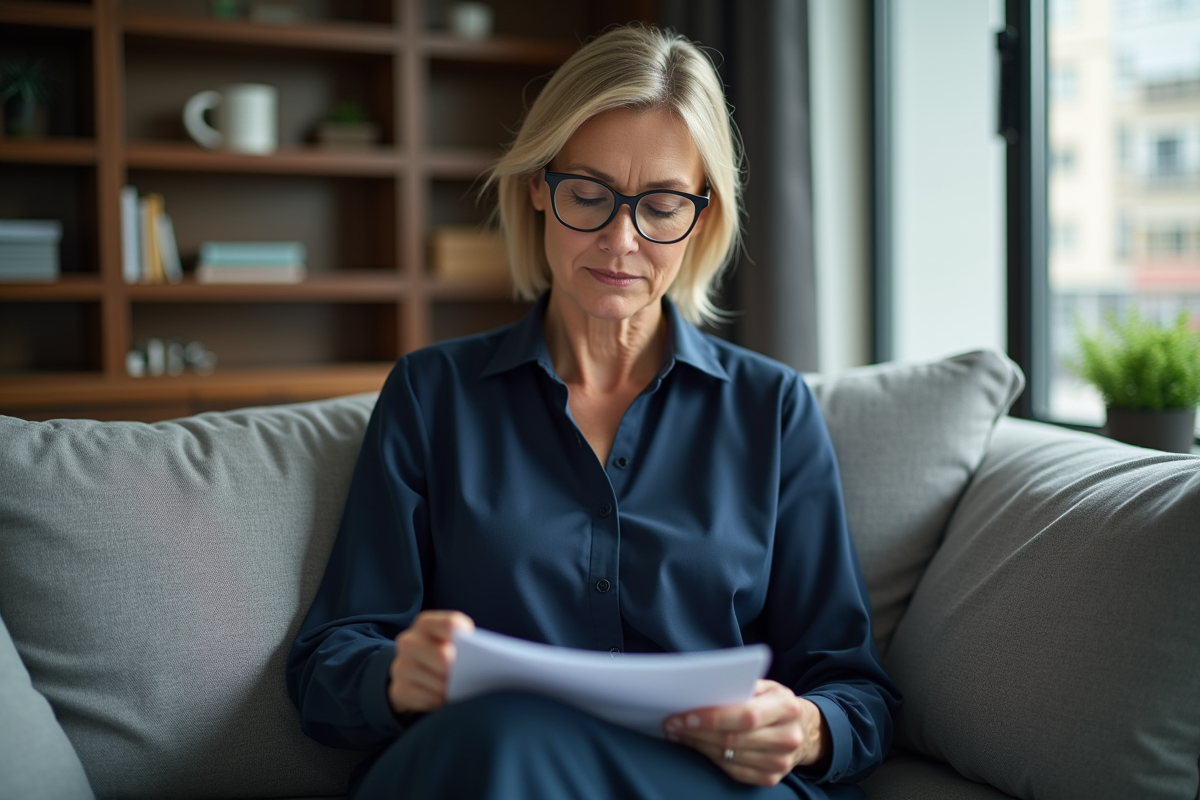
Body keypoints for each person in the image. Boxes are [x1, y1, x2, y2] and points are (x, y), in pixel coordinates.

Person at [287, 23, 900, 800]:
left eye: (662, 205)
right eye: (589, 195)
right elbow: (327, 664)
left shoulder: (773, 411)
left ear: (702, 215)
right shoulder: (431, 394)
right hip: (486, 767)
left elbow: (858, 693)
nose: (621, 239)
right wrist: (396, 676)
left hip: (699, 783)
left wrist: (805, 727)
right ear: (538, 187)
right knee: (502, 738)